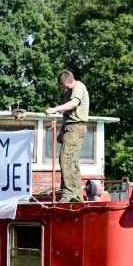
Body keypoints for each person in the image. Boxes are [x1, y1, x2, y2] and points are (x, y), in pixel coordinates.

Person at [45, 70, 89, 202]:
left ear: (71, 80)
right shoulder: (70, 90)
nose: (65, 88)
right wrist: (61, 132)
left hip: (76, 127)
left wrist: (54, 109)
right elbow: (68, 115)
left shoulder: (78, 87)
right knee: (72, 161)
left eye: (66, 86)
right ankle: (76, 194)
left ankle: (68, 194)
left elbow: (74, 103)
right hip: (70, 128)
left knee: (65, 158)